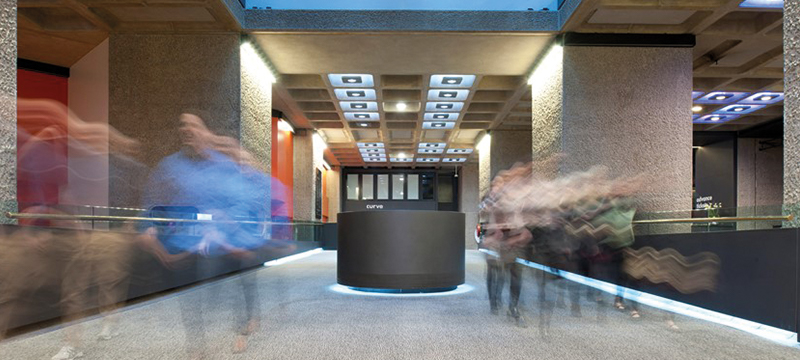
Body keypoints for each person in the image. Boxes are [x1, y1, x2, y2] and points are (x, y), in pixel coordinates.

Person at [137, 111, 269, 358]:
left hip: (226, 242)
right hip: (187, 245)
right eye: (182, 125)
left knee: (238, 284)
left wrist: (224, 226)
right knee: (190, 298)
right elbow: (154, 202)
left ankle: (243, 326)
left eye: (193, 124)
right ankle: (196, 346)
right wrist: (148, 227)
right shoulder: (170, 166)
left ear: (203, 130)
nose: (186, 129)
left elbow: (241, 203)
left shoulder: (224, 166)